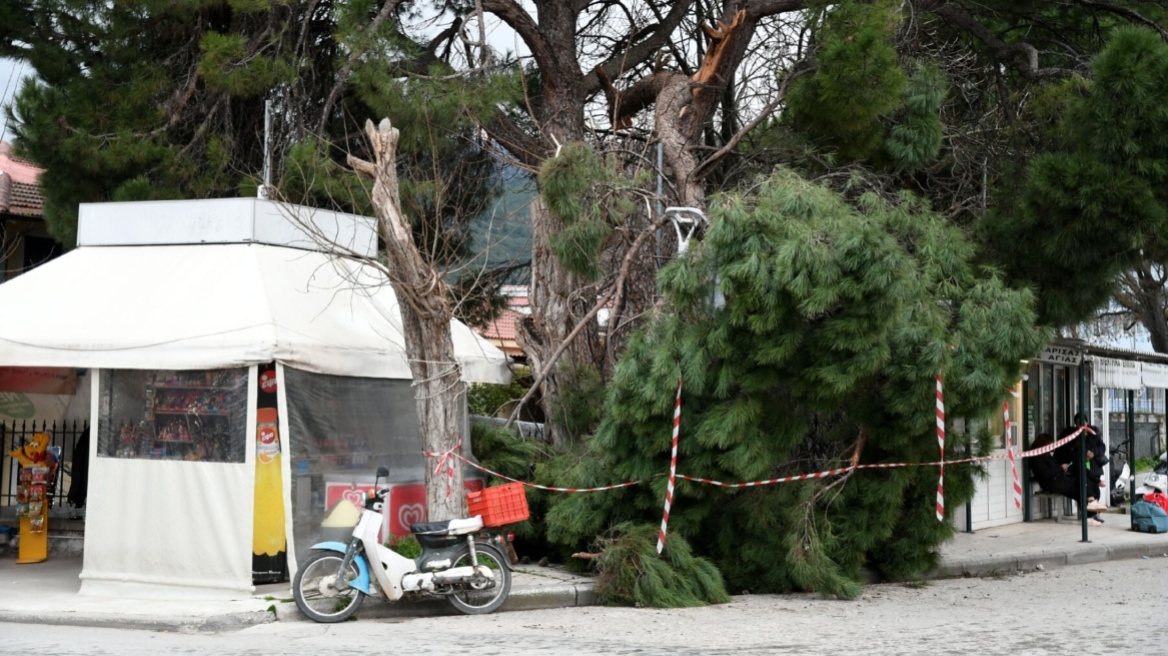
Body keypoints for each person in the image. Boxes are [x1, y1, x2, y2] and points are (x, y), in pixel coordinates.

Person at [1031, 433, 1108, 526]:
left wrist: (1062, 468)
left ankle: (1089, 515)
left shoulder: (1046, 455)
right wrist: (1060, 468)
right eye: (1050, 445)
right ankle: (1090, 508)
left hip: (1057, 480)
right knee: (1080, 486)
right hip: (1051, 483)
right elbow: (1044, 473)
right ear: (1043, 444)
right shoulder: (1037, 457)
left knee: (1081, 489)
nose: (1051, 447)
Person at [1054, 414, 1108, 506]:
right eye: (1079, 423)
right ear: (1076, 424)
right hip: (1080, 464)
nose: (1082, 425)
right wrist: (1085, 452)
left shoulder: (1093, 433)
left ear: (1087, 422)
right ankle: (1087, 512)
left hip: (1093, 465)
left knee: (1095, 489)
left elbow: (1102, 447)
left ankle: (1095, 512)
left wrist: (1093, 452)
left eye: (1084, 422)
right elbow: (1072, 448)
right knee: (1085, 488)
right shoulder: (1073, 435)